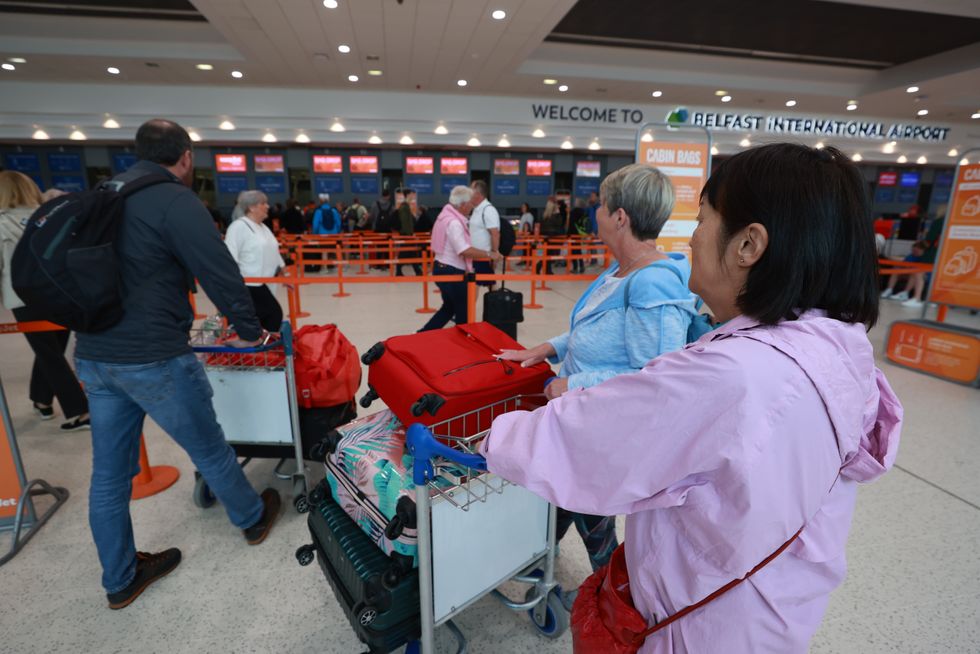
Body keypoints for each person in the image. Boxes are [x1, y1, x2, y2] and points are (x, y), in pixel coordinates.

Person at [480, 144, 901, 652]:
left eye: (703, 220)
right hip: (772, 608)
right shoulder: (834, 351)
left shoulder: (737, 374)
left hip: (702, 624)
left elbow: (595, 438)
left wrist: (489, 436)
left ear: (749, 245)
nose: (692, 240)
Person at [73, 119, 282, 611]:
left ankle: (120, 578)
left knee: (107, 476)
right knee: (208, 447)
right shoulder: (172, 199)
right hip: (152, 355)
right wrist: (251, 331)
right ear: (185, 157)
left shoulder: (102, 195)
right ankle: (252, 518)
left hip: (94, 355)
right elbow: (218, 270)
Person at [497, 163, 705, 573]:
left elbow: (654, 374)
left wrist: (572, 383)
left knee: (584, 507)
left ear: (620, 218)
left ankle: (610, 593)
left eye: (602, 206)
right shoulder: (620, 272)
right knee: (562, 494)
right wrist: (548, 348)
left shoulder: (652, 283)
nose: (596, 212)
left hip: (601, 428)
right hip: (579, 421)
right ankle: (540, 560)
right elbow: (597, 330)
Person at [0, 171, 90, 431]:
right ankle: (41, 400)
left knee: (48, 352)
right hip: (60, 292)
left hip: (24, 298)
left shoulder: (3, 223)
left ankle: (80, 411)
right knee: (52, 351)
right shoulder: (50, 215)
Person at [420, 186, 501, 331]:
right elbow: (464, 250)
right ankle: (463, 343)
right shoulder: (454, 223)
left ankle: (422, 334)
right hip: (451, 272)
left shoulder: (443, 217)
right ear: (462, 204)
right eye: (470, 203)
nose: (472, 206)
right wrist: (490, 254)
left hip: (440, 267)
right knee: (464, 311)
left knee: (449, 308)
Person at [224, 190, 286, 332]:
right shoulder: (238, 227)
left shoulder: (264, 228)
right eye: (263, 203)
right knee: (273, 315)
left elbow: (274, 250)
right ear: (251, 207)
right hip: (249, 284)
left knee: (264, 319)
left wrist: (284, 272)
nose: (268, 206)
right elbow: (230, 257)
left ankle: (262, 348)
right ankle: (263, 346)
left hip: (267, 282)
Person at [901, 214, 945, 308]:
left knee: (918, 272)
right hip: (946, 254)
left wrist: (922, 244)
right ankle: (934, 299)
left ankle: (917, 298)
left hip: (933, 254)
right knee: (937, 277)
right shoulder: (954, 221)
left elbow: (929, 239)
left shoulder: (940, 221)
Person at [468, 180, 500, 288]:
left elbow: (495, 233)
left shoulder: (488, 210)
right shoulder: (477, 210)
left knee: (475, 286)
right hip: (475, 256)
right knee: (487, 286)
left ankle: (471, 305)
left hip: (483, 257)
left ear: (478, 194)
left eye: (470, 191)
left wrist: (494, 254)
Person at [396, 190, 422, 276]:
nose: (412, 197)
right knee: (406, 252)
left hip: (408, 234)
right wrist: (409, 234)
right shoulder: (404, 207)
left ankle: (417, 270)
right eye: (411, 195)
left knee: (410, 252)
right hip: (406, 234)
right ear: (407, 195)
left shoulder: (406, 206)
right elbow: (404, 222)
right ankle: (400, 270)